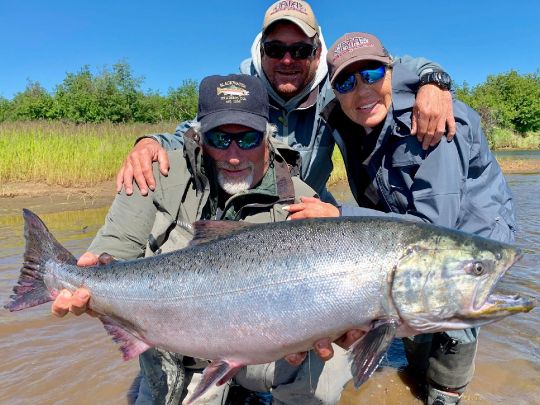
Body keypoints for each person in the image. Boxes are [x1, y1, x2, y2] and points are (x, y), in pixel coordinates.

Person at [51, 73, 359, 405]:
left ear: (267, 138)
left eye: (249, 139)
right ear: (199, 137)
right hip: (182, 347)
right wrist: (88, 278)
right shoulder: (154, 173)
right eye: (220, 138)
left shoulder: (301, 201)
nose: (234, 154)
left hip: (266, 348)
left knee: (330, 364)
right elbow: (115, 245)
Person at [285, 32, 516, 405]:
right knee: (410, 315)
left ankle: (446, 393)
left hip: (468, 234)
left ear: (390, 72)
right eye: (347, 81)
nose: (362, 90)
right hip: (404, 234)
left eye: (372, 73)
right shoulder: (344, 114)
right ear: (334, 89)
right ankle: (413, 373)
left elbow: (435, 227)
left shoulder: (438, 119)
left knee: (455, 321)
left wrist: (340, 213)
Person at [116, 0, 456, 204]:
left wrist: (433, 80)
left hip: (310, 206)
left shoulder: (339, 84)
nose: (288, 60)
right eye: (276, 49)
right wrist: (149, 142)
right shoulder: (243, 89)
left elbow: (390, 66)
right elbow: (198, 131)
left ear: (317, 51)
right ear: (262, 50)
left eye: (300, 50)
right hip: (249, 208)